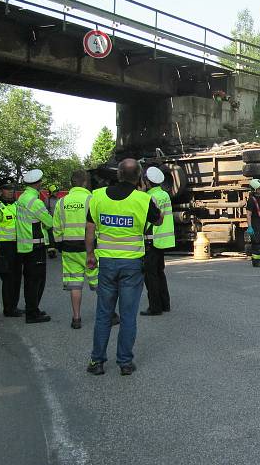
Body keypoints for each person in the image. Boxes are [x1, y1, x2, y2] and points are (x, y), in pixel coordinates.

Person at [86, 158, 162, 376]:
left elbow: (89, 229)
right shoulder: (142, 199)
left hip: (106, 263)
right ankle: (125, 363)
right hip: (131, 265)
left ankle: (97, 362)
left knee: (103, 314)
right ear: (139, 177)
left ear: (117, 175)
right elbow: (157, 221)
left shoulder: (98, 196)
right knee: (128, 316)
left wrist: (90, 254)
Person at [53, 171, 95, 329]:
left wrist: (58, 244)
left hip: (69, 248)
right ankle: (109, 315)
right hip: (89, 248)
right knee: (98, 281)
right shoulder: (91, 199)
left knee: (75, 284)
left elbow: (56, 227)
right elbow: (97, 224)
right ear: (85, 183)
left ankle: (76, 318)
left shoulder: (62, 202)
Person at [16, 169, 54, 324]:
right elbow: (50, 222)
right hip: (35, 246)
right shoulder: (35, 202)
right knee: (37, 281)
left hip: (25, 246)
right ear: (38, 183)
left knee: (30, 280)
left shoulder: (22, 198)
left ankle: (33, 309)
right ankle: (32, 313)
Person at [140, 166, 174, 316]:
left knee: (150, 275)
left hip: (151, 239)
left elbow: (145, 220)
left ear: (147, 182)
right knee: (160, 272)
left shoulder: (148, 197)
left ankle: (155, 307)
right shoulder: (164, 194)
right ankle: (165, 303)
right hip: (162, 240)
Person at [0, 181, 23, 317]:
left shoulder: (16, 205)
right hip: (4, 246)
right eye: (7, 189)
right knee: (8, 278)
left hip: (18, 245)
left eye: (12, 189)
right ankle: (8, 309)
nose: (10, 192)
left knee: (17, 277)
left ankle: (14, 306)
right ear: (1, 191)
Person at [245, 179, 260, 267]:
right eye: (259, 188)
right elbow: (248, 215)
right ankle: (256, 261)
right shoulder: (251, 200)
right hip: (255, 222)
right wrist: (250, 226)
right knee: (257, 242)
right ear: (254, 189)